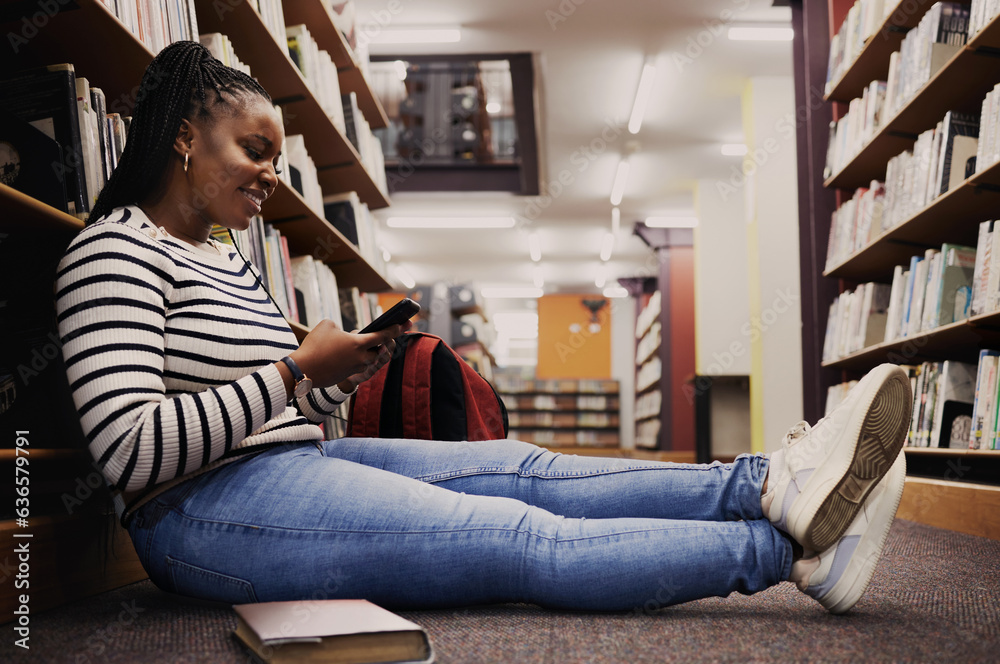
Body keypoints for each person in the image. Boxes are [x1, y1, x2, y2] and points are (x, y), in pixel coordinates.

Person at [55, 41, 912, 616]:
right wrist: (288, 371)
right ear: (181, 141)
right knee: (514, 540)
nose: (272, 176)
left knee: (523, 470)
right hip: (196, 516)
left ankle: (772, 482)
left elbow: (284, 415)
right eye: (254, 151)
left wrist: (330, 381)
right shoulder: (112, 253)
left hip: (295, 457)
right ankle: (787, 553)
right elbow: (129, 453)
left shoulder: (225, 255)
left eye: (278, 157)